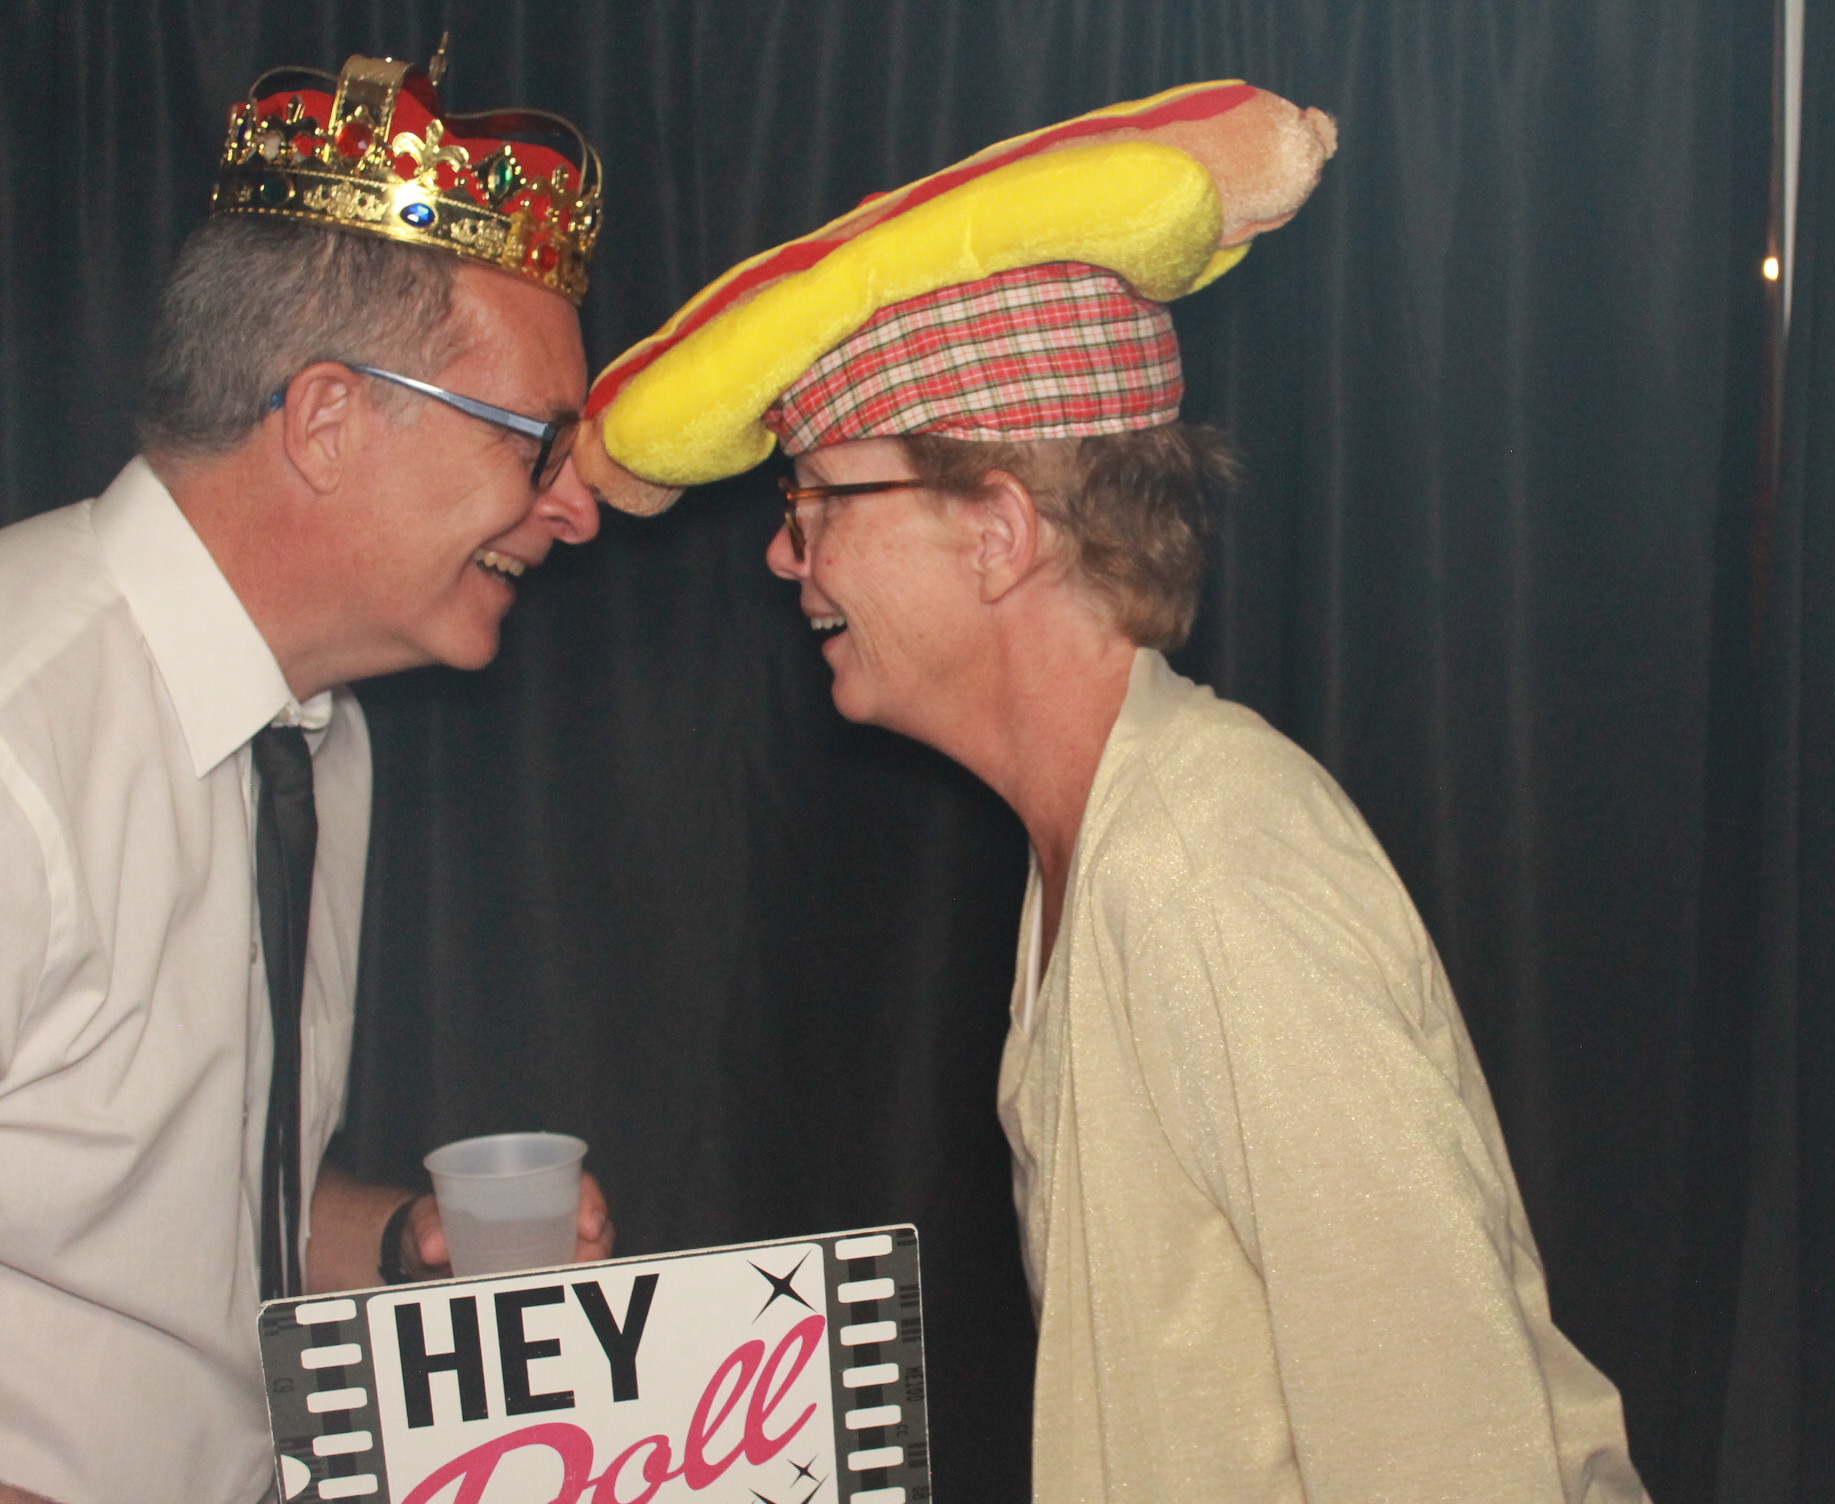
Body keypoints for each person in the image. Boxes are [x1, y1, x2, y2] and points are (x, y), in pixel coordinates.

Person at [576, 86, 1649, 1501]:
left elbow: (1450, 1445)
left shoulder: (1212, 872)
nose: (790, 556)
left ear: (999, 531)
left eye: (821, 497)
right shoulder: (1105, 838)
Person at [0, 52, 615, 1504]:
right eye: (538, 444)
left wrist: (402, 1246)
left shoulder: (317, 742)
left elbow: (201, 1233)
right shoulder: (22, 738)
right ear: (329, 418)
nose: (577, 510)